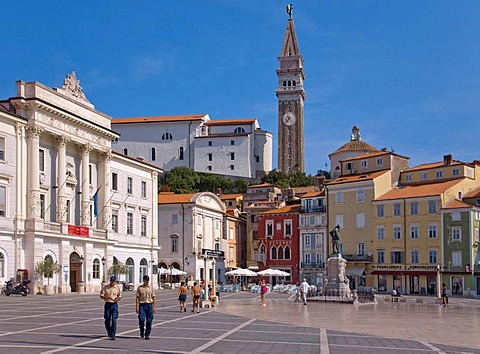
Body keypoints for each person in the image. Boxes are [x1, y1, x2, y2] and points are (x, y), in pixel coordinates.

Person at [100, 276, 122, 340]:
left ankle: (113, 334)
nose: (113, 282)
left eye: (114, 281)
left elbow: (119, 296)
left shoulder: (117, 288)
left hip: (114, 305)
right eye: (112, 281)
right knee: (107, 319)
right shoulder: (106, 288)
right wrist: (107, 298)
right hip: (108, 304)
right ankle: (109, 331)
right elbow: (101, 295)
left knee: (114, 320)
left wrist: (117, 299)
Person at [136, 275, 156, 340]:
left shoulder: (151, 288)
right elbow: (137, 297)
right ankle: (142, 330)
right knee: (141, 319)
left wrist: (154, 307)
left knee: (149, 320)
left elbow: (153, 297)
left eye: (148, 280)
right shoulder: (139, 288)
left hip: (149, 305)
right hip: (142, 305)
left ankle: (147, 334)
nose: (147, 281)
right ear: (143, 280)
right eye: (146, 280)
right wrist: (137, 307)